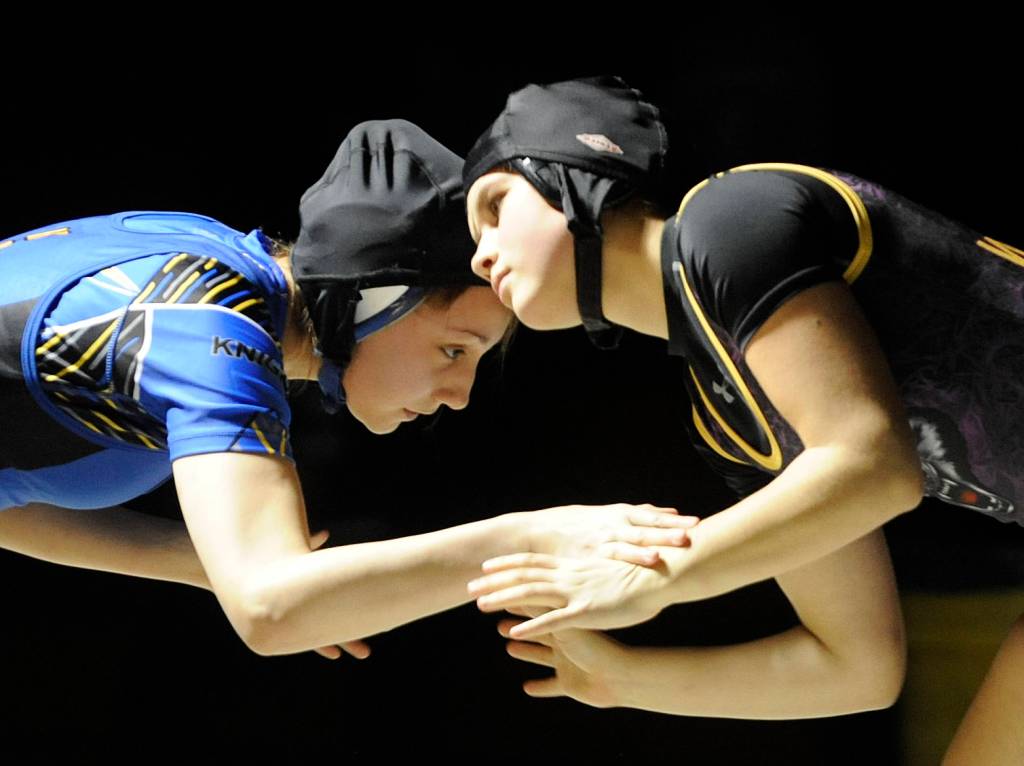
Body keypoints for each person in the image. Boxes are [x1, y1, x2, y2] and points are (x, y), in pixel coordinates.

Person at [461, 77, 1024, 762]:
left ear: (579, 169)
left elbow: (874, 465)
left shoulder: (730, 216)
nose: (480, 252)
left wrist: (651, 579)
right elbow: (857, 668)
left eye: (495, 206)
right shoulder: (727, 421)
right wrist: (621, 678)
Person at [0, 118, 696, 662]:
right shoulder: (202, 321)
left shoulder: (202, 255)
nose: (458, 394)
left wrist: (200, 562)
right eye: (455, 349)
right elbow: (272, 611)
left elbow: (10, 494)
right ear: (371, 298)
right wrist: (531, 538)